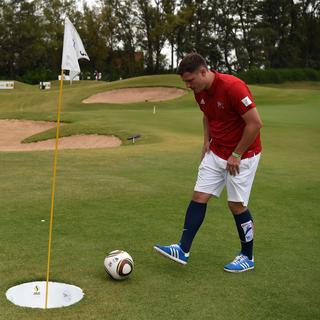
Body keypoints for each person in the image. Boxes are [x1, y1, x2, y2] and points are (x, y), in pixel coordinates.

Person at [154, 53, 263, 272]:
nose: (188, 86)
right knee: (199, 196)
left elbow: (255, 123)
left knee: (236, 205)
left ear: (203, 72)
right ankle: (182, 249)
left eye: (190, 80)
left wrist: (237, 154)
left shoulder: (233, 87)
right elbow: (208, 116)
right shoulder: (200, 91)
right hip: (216, 151)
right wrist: (206, 142)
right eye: (185, 81)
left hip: (244, 154)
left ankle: (247, 256)